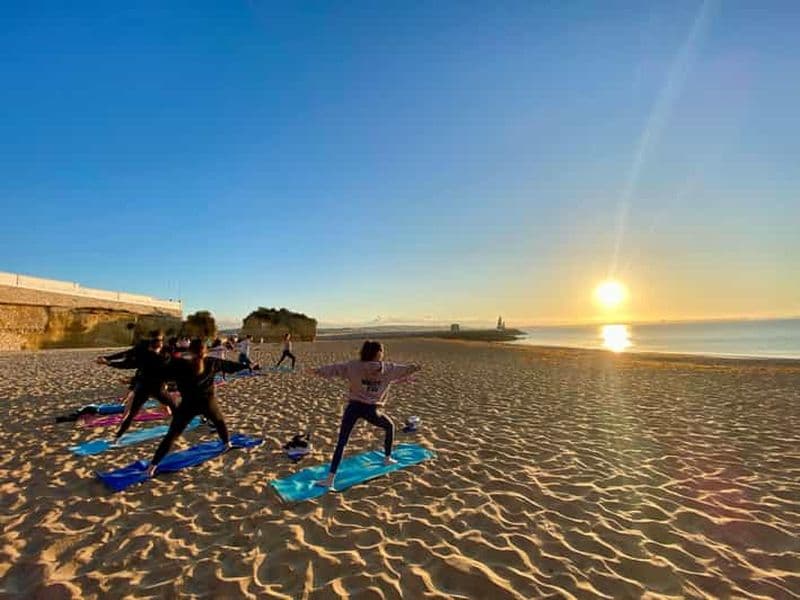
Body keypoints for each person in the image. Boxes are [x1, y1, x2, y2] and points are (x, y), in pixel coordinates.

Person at [312, 340, 421, 489]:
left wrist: (316, 370)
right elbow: (406, 369)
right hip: (372, 410)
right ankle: (387, 459)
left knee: (342, 442)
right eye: (382, 351)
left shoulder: (353, 366)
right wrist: (416, 367)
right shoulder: (388, 368)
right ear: (378, 353)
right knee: (390, 427)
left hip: (354, 407)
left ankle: (330, 479)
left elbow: (334, 369)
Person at [146, 338, 250, 477]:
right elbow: (231, 366)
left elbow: (162, 374)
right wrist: (249, 366)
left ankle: (152, 467)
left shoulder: (180, 364)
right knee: (220, 422)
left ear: (190, 350)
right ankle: (227, 445)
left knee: (172, 435)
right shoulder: (212, 362)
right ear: (205, 350)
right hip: (208, 403)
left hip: (188, 405)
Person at [100, 330, 179, 441]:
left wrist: (109, 363)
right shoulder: (164, 357)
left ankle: (118, 435)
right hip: (157, 389)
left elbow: (127, 364)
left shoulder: (145, 355)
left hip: (143, 388)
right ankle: (176, 429)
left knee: (132, 414)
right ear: (160, 344)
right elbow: (170, 372)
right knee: (173, 406)